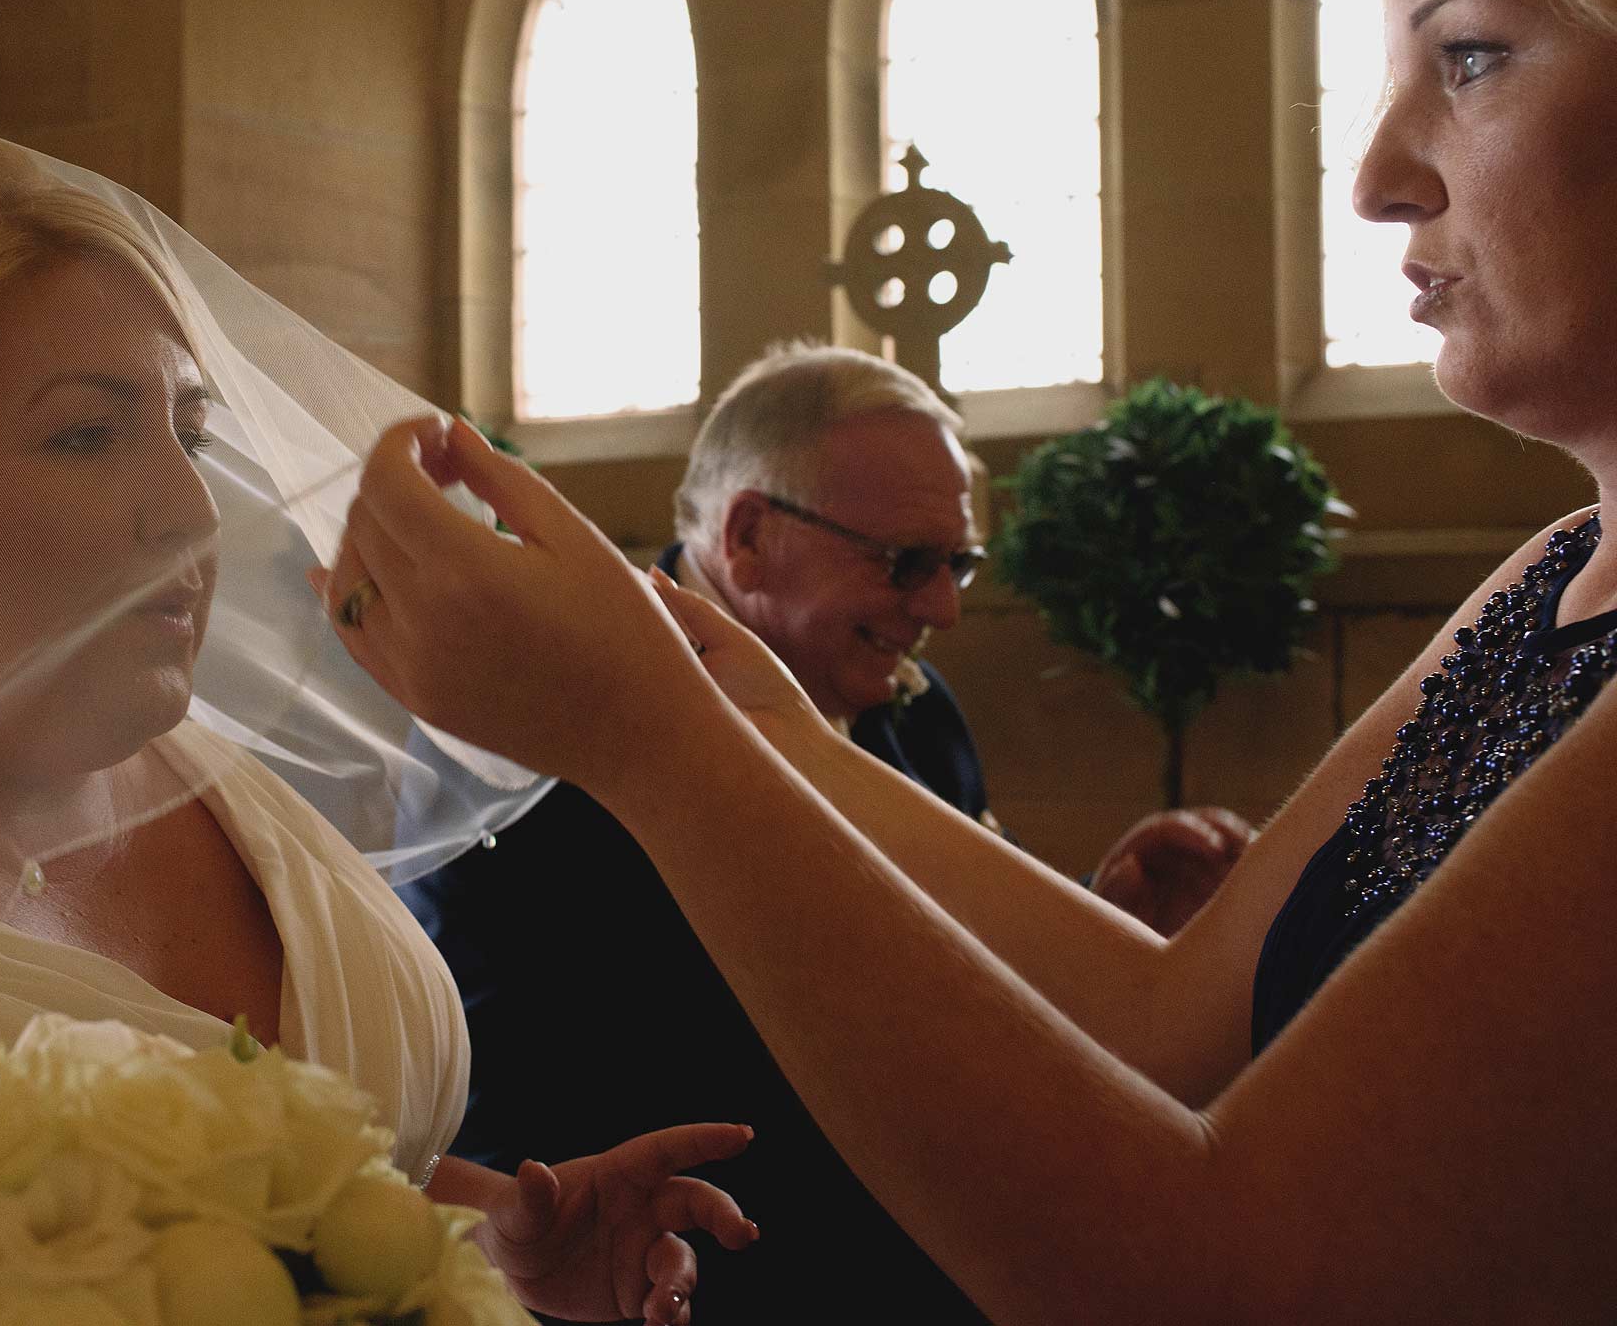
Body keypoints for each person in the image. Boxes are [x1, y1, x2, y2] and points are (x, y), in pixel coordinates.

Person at [322, 0, 1617, 1315]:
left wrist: (657, 741)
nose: (1374, 176)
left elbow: (1215, 1271)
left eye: (1467, 57)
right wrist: (745, 718)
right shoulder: (1546, 575)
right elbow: (1165, 1021)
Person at [0, 98, 756, 1325]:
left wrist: (482, 1238)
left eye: (189, 430)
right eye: (86, 434)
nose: (191, 514)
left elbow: (278, 1194)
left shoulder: (217, 783)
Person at [400, 343, 1246, 1320]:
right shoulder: (539, 738)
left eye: (956, 561)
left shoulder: (914, 712)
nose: (945, 606)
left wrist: (1092, 925)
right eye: (906, 562)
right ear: (750, 533)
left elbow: (933, 961)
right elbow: (492, 1106)